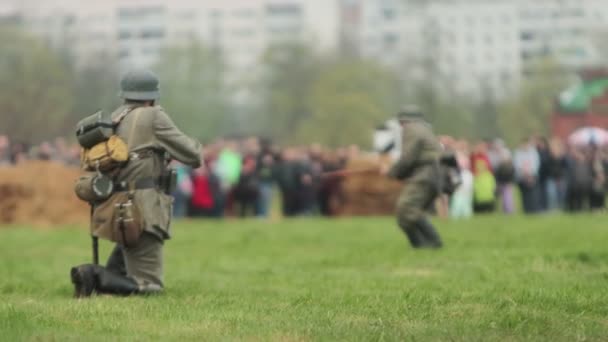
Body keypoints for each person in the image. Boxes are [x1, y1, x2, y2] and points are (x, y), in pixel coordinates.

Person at [70, 69, 202, 297]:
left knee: (123, 266)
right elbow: (193, 156)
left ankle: (102, 280)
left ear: (125, 95)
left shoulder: (115, 117)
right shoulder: (153, 116)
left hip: (117, 204)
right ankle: (92, 275)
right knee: (150, 287)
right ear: (153, 95)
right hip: (144, 207)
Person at [382, 106, 443, 249]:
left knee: (406, 208)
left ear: (404, 120)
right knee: (405, 213)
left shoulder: (412, 129)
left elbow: (407, 158)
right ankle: (420, 246)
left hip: (426, 173)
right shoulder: (422, 129)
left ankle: (434, 242)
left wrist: (391, 172)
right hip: (430, 172)